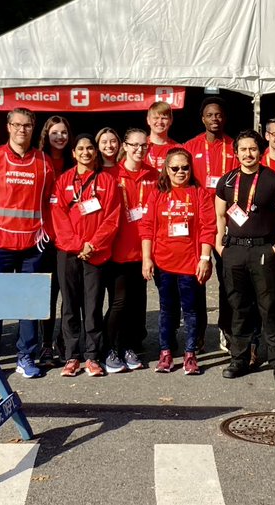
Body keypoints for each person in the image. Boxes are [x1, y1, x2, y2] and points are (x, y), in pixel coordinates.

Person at [0, 108, 55, 380]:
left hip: (32, 244)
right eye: (17, 125)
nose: (22, 130)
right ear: (8, 127)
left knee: (28, 303)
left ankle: (26, 356)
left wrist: (48, 234)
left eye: (27, 125)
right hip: (1, 243)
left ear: (34, 127)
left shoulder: (44, 161)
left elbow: (50, 202)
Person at [215, 130, 275, 381]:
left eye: (252, 149)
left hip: (264, 250)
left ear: (260, 152)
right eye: (243, 149)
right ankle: (239, 358)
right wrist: (221, 247)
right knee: (238, 307)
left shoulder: (274, 180)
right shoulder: (226, 181)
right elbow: (220, 216)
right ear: (236, 152)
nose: (248, 154)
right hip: (234, 250)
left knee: (270, 307)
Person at [51, 134, 121, 377]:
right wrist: (77, 244)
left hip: (96, 253)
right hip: (68, 252)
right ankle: (72, 356)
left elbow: (113, 217)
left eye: (90, 148)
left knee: (92, 306)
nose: (85, 152)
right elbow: (58, 216)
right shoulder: (63, 181)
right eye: (80, 148)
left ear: (96, 152)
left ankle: (92, 356)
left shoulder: (107, 181)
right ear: (73, 153)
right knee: (69, 305)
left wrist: (92, 244)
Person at [142, 148, 216, 374]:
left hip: (190, 264)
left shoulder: (199, 193)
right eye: (175, 168)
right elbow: (147, 227)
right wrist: (147, 258)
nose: (180, 172)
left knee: (191, 310)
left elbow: (208, 227)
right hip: (164, 262)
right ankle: (165, 352)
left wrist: (205, 258)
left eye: (185, 167)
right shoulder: (157, 193)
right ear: (166, 169)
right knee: (167, 309)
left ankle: (190, 353)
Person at [184, 97, 239, 350]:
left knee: (228, 278)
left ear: (224, 118)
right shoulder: (190, 146)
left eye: (218, 115)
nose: (214, 119)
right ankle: (196, 333)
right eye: (209, 115)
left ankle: (226, 330)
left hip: (228, 222)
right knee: (196, 279)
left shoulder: (234, 147)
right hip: (197, 223)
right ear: (202, 118)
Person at [104, 128, 158, 372]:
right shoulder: (111, 174)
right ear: (124, 146)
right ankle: (110, 348)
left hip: (144, 250)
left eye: (143, 145)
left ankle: (128, 345)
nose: (139, 150)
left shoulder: (154, 175)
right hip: (117, 250)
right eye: (134, 145)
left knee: (137, 302)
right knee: (119, 302)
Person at [36, 114, 71, 363]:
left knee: (69, 295)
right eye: (55, 132)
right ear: (46, 135)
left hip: (68, 238)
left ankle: (64, 342)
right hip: (44, 238)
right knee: (47, 294)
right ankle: (46, 343)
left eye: (64, 133)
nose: (60, 137)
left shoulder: (74, 162)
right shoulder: (38, 161)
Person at [145, 101, 181, 170]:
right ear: (148, 120)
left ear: (171, 121)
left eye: (164, 118)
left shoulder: (178, 148)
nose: (160, 122)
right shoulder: (139, 146)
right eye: (156, 118)